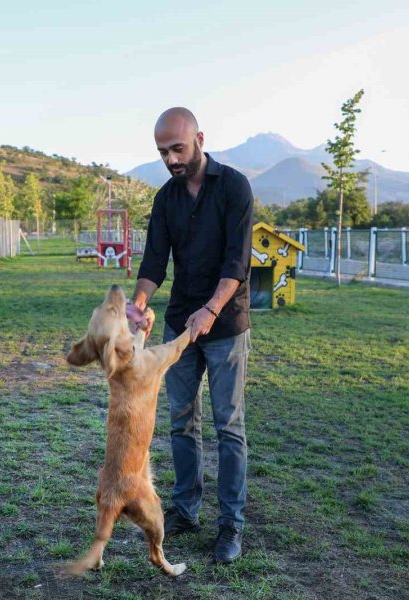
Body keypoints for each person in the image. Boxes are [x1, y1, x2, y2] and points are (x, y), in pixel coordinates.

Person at [126, 107, 254, 564]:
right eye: (162, 152)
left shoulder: (234, 186)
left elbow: (237, 263)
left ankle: (230, 525)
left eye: (177, 148)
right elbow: (154, 263)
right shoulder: (165, 199)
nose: (171, 159)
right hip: (180, 323)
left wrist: (211, 310)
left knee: (228, 426)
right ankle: (185, 509)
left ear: (199, 137)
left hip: (225, 325)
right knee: (182, 422)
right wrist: (137, 304)